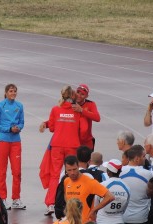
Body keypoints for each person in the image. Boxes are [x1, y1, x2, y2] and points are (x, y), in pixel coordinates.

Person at [44, 85, 81, 215]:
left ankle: (50, 203)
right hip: (72, 145)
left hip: (57, 145)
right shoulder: (77, 110)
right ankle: (69, 200)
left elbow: (52, 128)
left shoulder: (55, 109)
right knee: (71, 173)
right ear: (72, 95)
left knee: (54, 175)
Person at [0, 83, 25, 210]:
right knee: (2, 171)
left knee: (17, 171)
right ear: (6, 92)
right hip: (3, 141)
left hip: (16, 141)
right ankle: (2, 198)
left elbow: (22, 122)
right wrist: (9, 129)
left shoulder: (19, 106)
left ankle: (16, 199)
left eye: (15, 91)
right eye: (11, 91)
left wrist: (18, 128)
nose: (13, 93)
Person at [63, 155, 115, 223]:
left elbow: (110, 197)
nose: (72, 173)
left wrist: (94, 210)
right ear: (65, 169)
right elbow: (67, 199)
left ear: (78, 166)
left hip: (85, 221)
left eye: (74, 169)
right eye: (69, 170)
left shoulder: (89, 182)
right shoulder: (66, 181)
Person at [120, 145, 152, 223]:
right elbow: (150, 194)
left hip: (122, 217)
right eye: (144, 156)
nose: (145, 158)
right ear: (137, 158)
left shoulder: (120, 171)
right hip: (141, 217)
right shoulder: (147, 174)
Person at [94, 159, 130, 224]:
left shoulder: (102, 185)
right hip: (119, 221)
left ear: (108, 172)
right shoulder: (126, 186)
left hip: (102, 221)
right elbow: (125, 206)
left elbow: (95, 205)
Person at [71, 84, 100, 151]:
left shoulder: (90, 104)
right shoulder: (69, 103)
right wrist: (46, 124)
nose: (79, 95)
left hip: (86, 143)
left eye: (82, 94)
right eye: (78, 92)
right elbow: (59, 116)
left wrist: (81, 110)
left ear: (86, 96)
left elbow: (97, 118)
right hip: (72, 142)